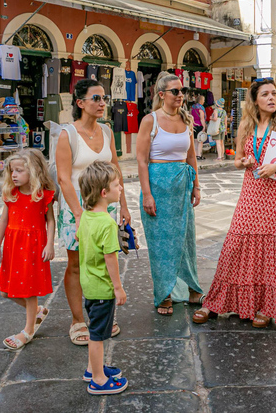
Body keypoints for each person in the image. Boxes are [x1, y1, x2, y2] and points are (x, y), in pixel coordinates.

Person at [193, 78, 276, 328]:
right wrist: (241, 163)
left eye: (274, 94)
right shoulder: (246, 124)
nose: (271, 98)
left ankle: (268, 306)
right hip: (251, 195)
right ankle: (215, 301)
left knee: (271, 253)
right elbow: (238, 158)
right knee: (235, 246)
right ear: (255, 100)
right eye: (265, 94)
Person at [56, 78, 132, 346]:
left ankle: (99, 316)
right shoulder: (68, 135)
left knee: (103, 259)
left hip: (106, 204)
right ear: (80, 103)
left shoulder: (108, 132)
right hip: (75, 205)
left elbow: (115, 169)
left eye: (104, 99)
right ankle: (77, 319)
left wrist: (123, 205)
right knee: (77, 263)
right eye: (96, 98)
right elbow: (64, 179)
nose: (102, 103)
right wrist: (78, 214)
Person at [137, 72, 204, 316]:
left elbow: (191, 157)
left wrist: (196, 186)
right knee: (161, 243)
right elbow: (142, 160)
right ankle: (163, 293)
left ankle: (192, 289)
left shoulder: (186, 120)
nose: (181, 95)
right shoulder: (150, 120)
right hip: (158, 188)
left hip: (182, 189)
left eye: (182, 91)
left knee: (186, 239)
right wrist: (147, 194)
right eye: (175, 91)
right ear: (162, 94)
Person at [0, 149, 56, 350]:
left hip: (33, 247)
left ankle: (27, 331)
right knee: (5, 292)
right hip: (13, 246)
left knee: (29, 291)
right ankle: (36, 311)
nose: (14, 175)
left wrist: (50, 244)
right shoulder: (11, 194)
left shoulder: (42, 195)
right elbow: (3, 221)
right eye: (12, 171)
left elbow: (51, 221)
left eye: (19, 170)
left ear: (34, 171)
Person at [77, 161, 128, 395]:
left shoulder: (87, 216)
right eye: (117, 185)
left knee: (95, 329)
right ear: (104, 193)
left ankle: (92, 369)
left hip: (88, 285)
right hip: (101, 288)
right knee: (97, 335)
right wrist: (118, 288)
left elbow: (80, 240)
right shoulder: (107, 223)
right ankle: (98, 380)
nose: (121, 189)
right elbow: (111, 259)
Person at [191, 94, 207, 160]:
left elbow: (190, 116)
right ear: (201, 100)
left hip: (193, 126)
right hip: (200, 125)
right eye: (203, 100)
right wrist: (204, 126)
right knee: (200, 141)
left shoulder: (192, 107)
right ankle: (199, 155)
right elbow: (202, 118)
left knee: (195, 141)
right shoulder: (201, 108)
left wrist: (193, 123)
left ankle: (194, 155)